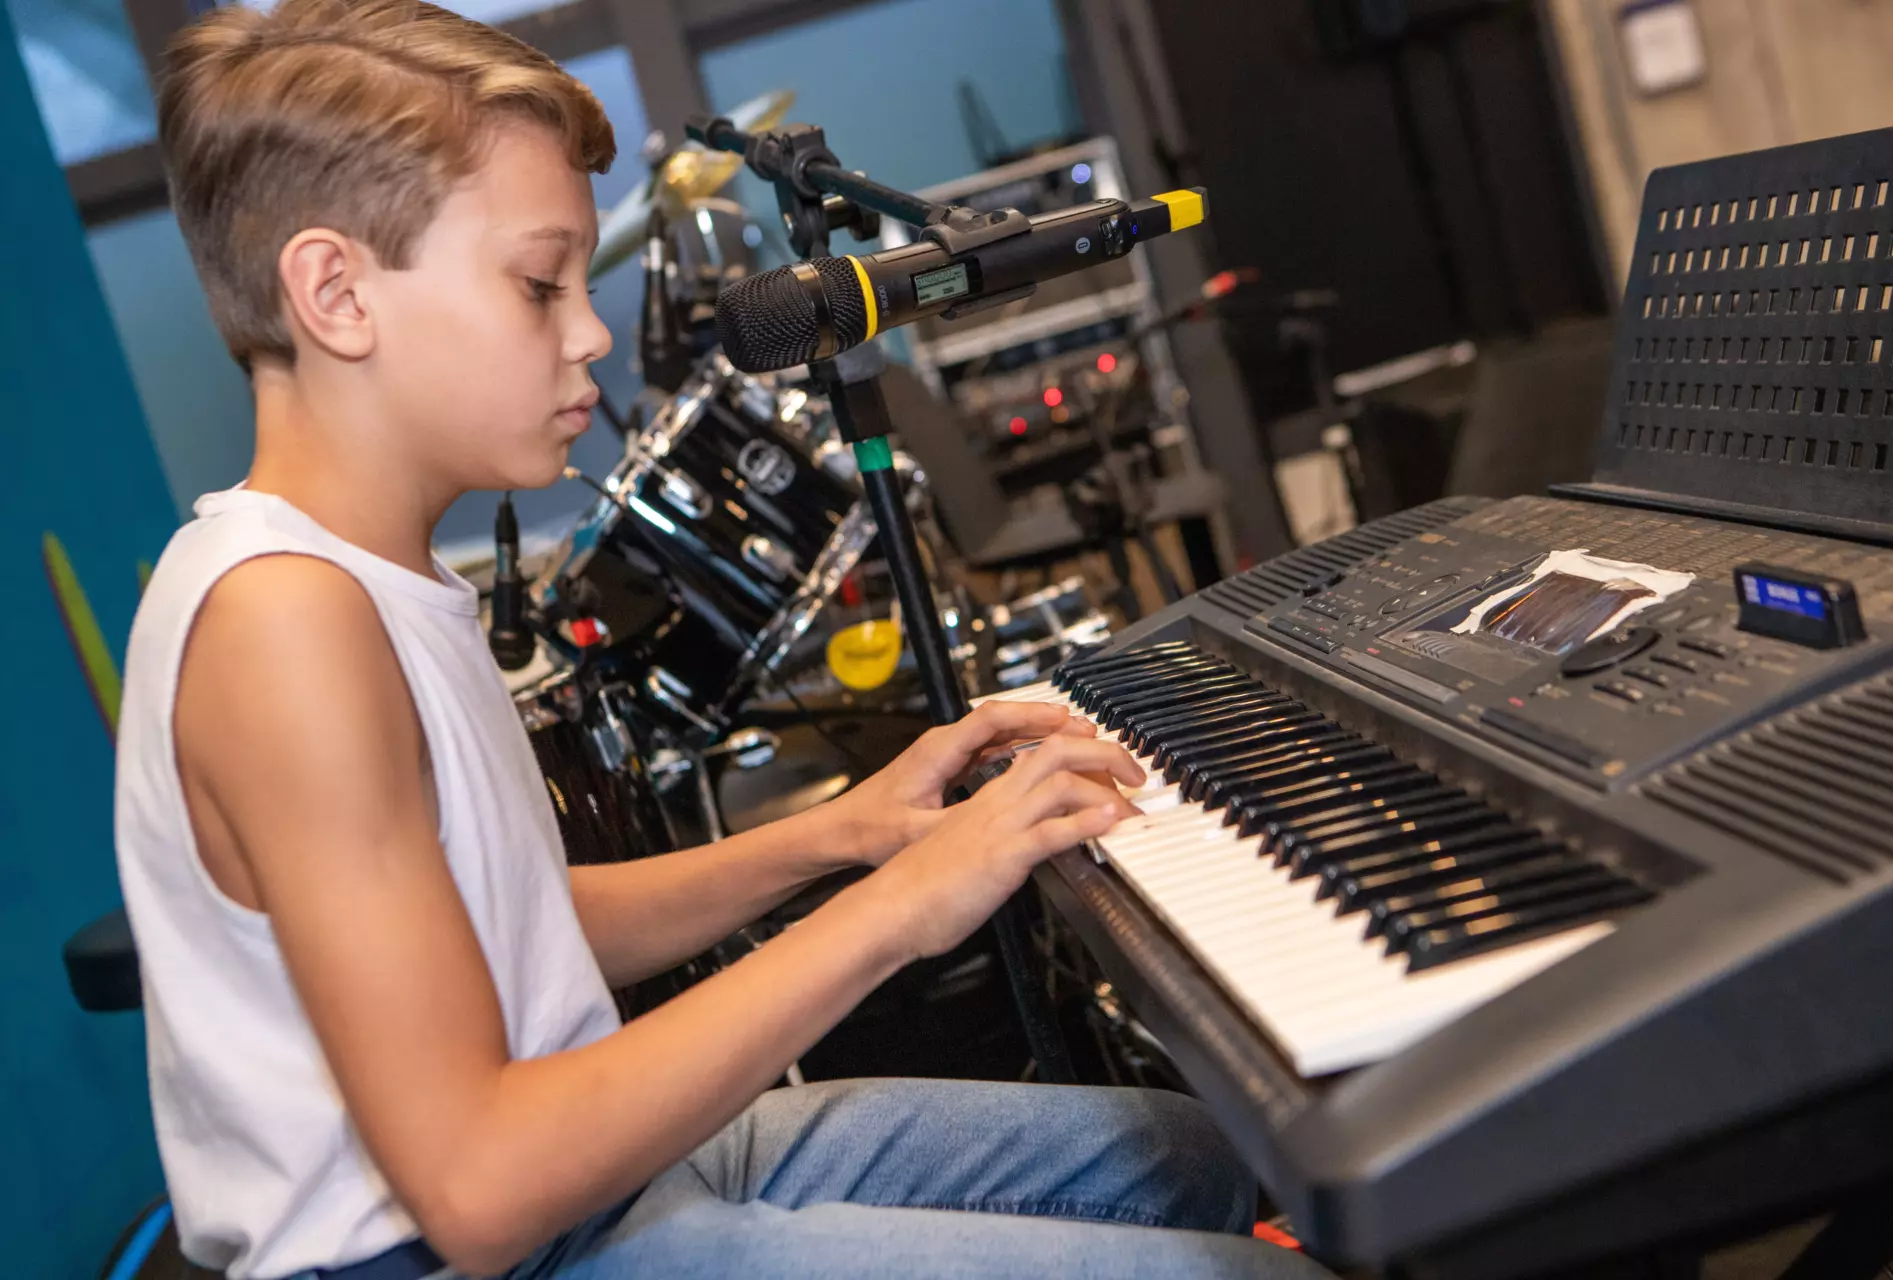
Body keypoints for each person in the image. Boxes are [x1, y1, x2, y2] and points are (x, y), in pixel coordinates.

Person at [113, 3, 1332, 1277]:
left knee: (1185, 1157)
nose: (590, 333)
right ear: (335, 293)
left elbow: (518, 924)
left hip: (585, 1190)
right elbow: (480, 1185)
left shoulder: (374, 575)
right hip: (467, 1247)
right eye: (538, 284)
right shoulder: (284, 623)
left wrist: (851, 832)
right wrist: (900, 908)